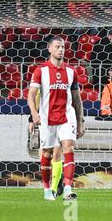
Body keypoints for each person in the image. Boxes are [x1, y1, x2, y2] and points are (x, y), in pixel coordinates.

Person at [28, 35, 85, 201]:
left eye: (63, 47)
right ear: (50, 49)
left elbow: (77, 99)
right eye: (57, 47)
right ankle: (47, 190)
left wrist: (80, 121)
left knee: (69, 147)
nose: (61, 50)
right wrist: (34, 113)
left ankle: (67, 188)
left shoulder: (71, 71)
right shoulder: (41, 70)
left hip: (67, 116)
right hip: (47, 118)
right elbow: (31, 95)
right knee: (46, 153)